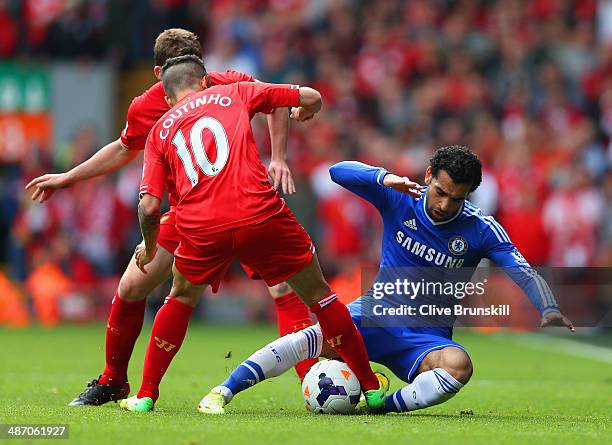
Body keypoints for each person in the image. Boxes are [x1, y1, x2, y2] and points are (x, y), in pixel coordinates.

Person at [25, 28, 316, 406]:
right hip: (190, 212)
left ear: (159, 70)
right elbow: (123, 147)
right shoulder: (151, 104)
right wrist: (69, 176)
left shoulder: (228, 82)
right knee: (133, 286)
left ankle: (310, 380)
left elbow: (277, 99)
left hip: (238, 198)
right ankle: (115, 381)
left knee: (276, 287)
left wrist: (278, 156)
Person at [198, 145, 575, 414]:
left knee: (460, 365)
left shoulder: (480, 228)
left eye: (455, 199)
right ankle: (223, 391)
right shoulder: (401, 197)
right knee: (307, 339)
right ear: (428, 176)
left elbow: (520, 268)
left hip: (425, 338)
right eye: (440, 191)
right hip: (372, 316)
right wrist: (385, 177)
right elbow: (338, 171)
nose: (444, 204)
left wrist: (549, 306)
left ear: (469, 196)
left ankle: (379, 408)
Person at [118, 55, 386, 413]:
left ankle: (146, 395)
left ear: (167, 98)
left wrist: (150, 247)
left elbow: (149, 207)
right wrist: (304, 110)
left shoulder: (159, 131)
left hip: (201, 225)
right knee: (320, 296)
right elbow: (310, 96)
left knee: (179, 299)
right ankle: (370, 388)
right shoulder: (236, 91)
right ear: (203, 82)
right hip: (259, 212)